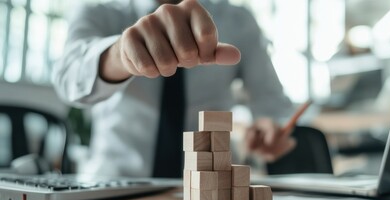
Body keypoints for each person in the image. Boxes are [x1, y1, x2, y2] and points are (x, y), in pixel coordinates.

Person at [53, 0, 296, 178]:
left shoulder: (240, 21)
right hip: (117, 181)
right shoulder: (99, 13)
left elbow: (272, 102)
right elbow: (67, 80)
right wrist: (120, 56)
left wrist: (270, 126)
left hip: (212, 185)